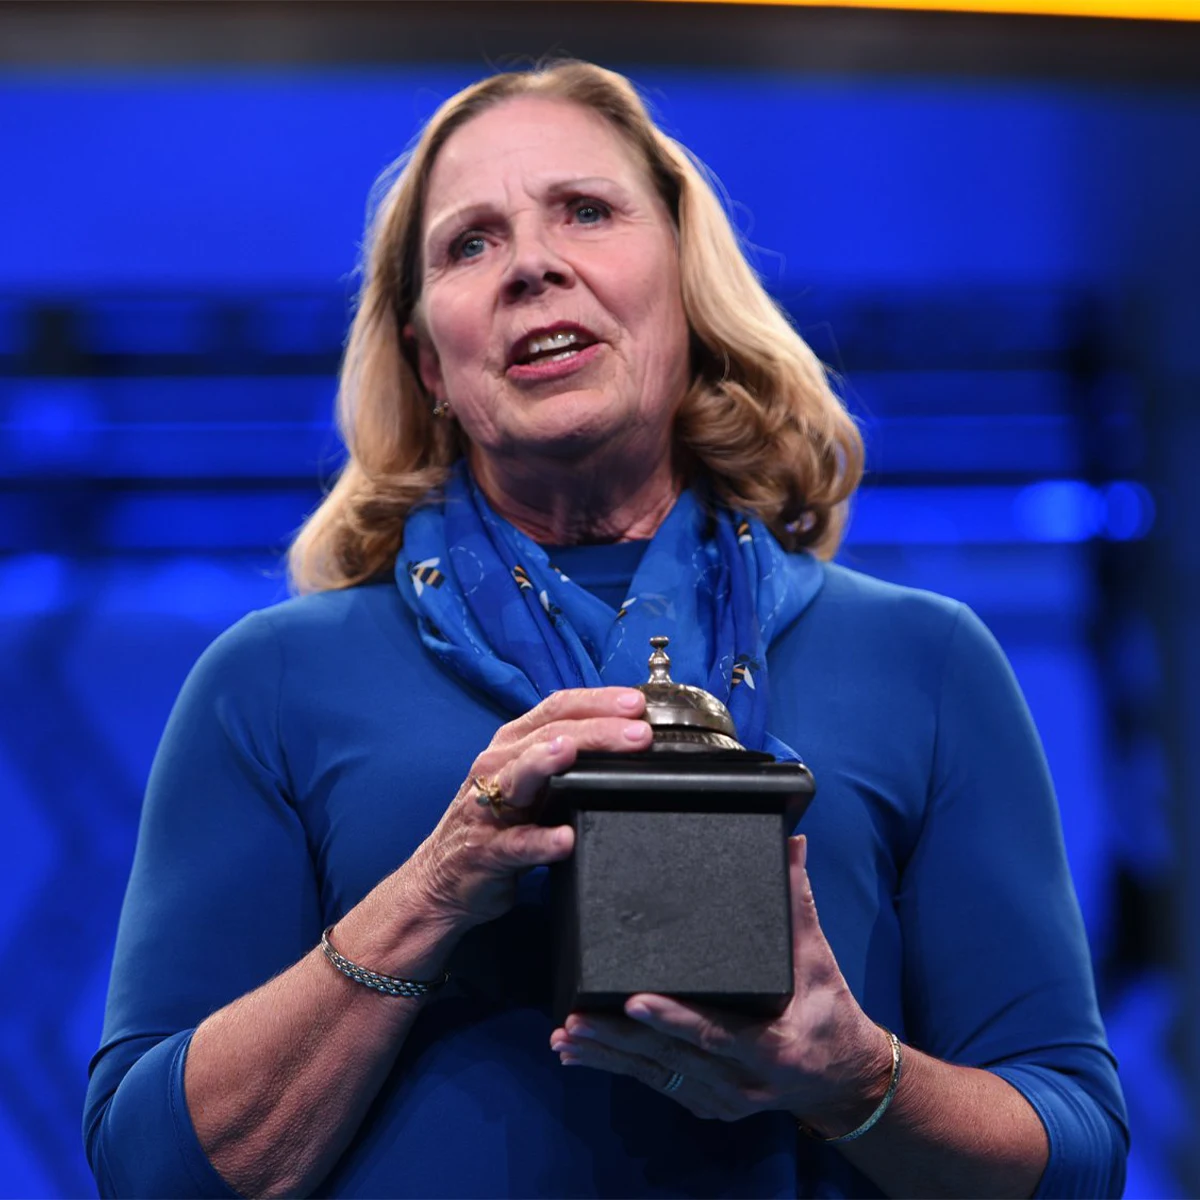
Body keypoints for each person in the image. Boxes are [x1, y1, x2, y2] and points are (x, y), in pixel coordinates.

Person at [84, 60, 1127, 1198]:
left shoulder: (925, 663)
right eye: (469, 244)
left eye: (586, 210)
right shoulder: (270, 681)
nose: (533, 262)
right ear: (431, 361)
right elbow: (151, 1167)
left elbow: (1075, 1157)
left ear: (682, 279)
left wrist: (851, 1076)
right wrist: (431, 892)